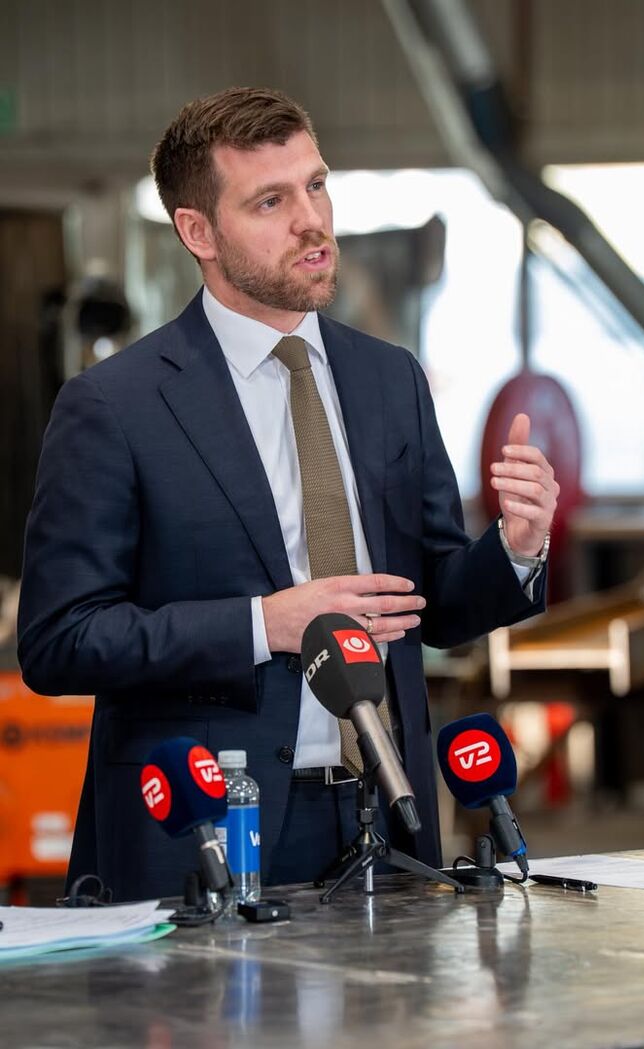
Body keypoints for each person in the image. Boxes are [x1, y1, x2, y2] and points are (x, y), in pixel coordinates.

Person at [18, 87, 558, 902]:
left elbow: (432, 605)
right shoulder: (115, 406)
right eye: (270, 201)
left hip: (388, 814)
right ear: (197, 232)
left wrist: (515, 548)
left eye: (316, 185)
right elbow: (60, 639)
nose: (312, 221)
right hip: (205, 823)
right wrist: (262, 623)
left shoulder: (390, 379)